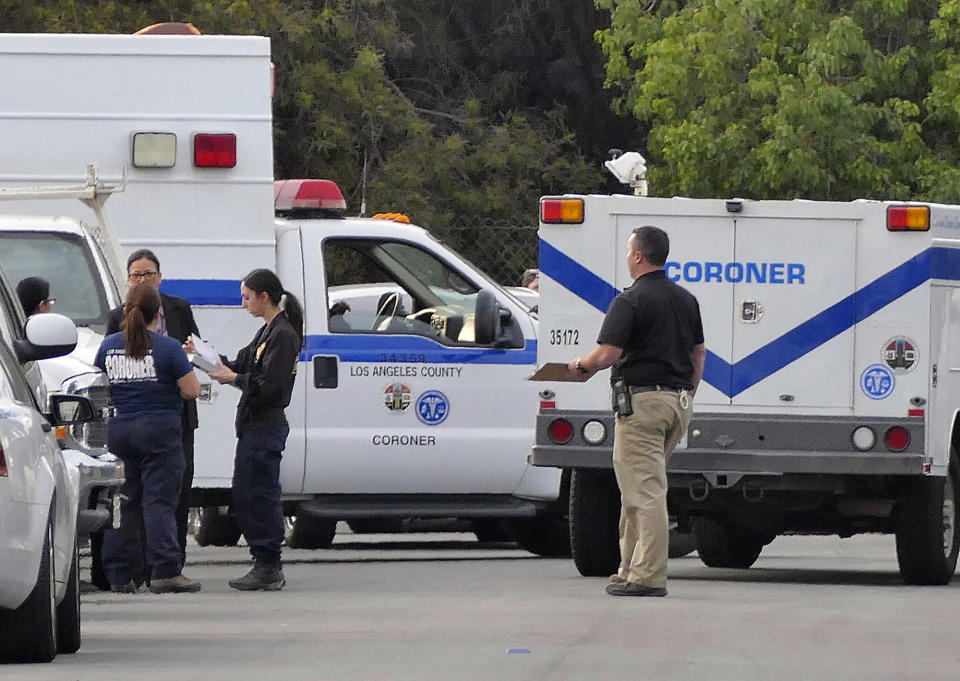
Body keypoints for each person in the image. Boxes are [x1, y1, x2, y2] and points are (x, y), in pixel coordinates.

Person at [567, 225, 705, 598]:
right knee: (634, 488)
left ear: (639, 256)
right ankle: (628, 568)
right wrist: (688, 393)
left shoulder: (630, 301)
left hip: (641, 404)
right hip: (676, 404)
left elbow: (608, 354)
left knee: (645, 492)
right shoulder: (685, 299)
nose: (627, 257)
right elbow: (699, 352)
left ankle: (648, 576)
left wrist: (581, 365)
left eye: (630, 251)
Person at [91, 249, 201, 590]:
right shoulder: (168, 348)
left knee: (124, 503)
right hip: (160, 433)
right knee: (159, 502)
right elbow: (192, 390)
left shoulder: (108, 345)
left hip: (119, 432)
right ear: (158, 313)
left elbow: (97, 385)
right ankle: (165, 570)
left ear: (128, 311)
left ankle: (119, 574)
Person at [204, 268, 302, 591]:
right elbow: (242, 362)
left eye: (247, 297)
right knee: (246, 494)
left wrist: (234, 379)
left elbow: (267, 386)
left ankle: (268, 564)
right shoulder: (267, 332)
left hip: (266, 426)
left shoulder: (283, 335)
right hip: (253, 427)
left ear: (264, 296)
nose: (244, 304)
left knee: (260, 495)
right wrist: (206, 358)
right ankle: (261, 559)